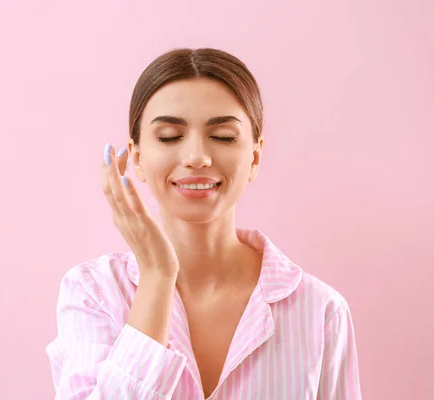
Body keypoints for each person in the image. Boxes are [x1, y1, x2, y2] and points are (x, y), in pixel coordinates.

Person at [46, 47, 362, 399]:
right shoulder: (93, 293)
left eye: (223, 137)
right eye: (169, 136)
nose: (196, 156)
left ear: (255, 156)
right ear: (136, 158)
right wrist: (157, 277)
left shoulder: (320, 311)